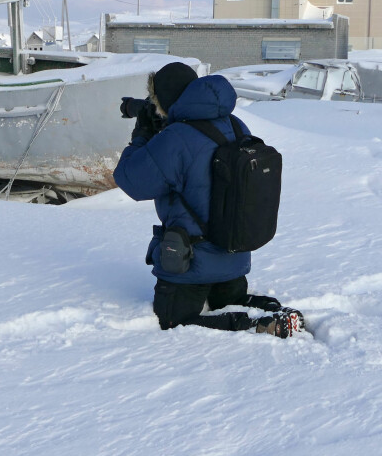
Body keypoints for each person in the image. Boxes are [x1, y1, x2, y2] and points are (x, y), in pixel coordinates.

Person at [113, 62, 302, 338]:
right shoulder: (236, 125)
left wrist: (142, 137)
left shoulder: (176, 139)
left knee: (172, 321)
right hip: (234, 261)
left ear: (163, 101)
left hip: (188, 268)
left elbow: (130, 180)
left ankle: (254, 325)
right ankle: (269, 310)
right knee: (230, 302)